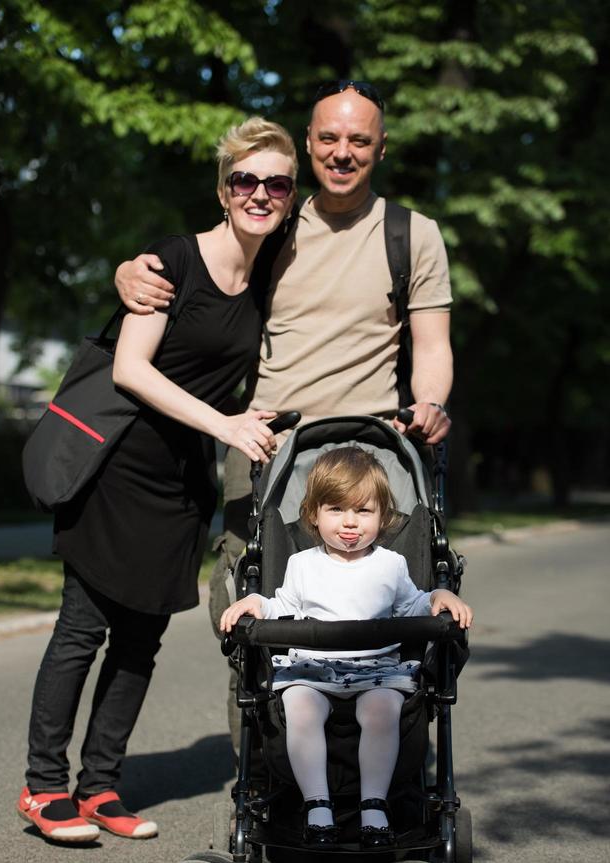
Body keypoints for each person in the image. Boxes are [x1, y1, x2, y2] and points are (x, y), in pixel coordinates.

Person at [113, 79, 454, 740]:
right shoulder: (275, 219)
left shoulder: (413, 235)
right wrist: (129, 270)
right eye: (329, 137)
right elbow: (204, 261)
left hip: (374, 450)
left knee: (385, 614)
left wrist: (432, 402)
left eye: (360, 139)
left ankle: (381, 781)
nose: (343, 151)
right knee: (253, 609)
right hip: (268, 445)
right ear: (309, 144)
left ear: (382, 148)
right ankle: (266, 782)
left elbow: (432, 344)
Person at [17, 117, 297, 844]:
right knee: (82, 628)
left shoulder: (266, 273)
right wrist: (227, 425)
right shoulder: (172, 260)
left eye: (275, 183)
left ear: (290, 195)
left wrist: (240, 413)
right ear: (223, 187)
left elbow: (208, 373)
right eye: (246, 180)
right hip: (119, 468)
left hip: (182, 481)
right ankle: (44, 786)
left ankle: (101, 786)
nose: (259, 194)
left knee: (141, 641)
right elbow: (130, 369)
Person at [220, 448, 473, 848]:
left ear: (383, 516)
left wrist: (439, 595)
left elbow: (413, 604)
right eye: (336, 509)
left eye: (364, 511)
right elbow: (285, 606)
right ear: (314, 514)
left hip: (376, 669)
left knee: (382, 710)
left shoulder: (390, 564)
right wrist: (257, 603)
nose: (350, 523)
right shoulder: (303, 563)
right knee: (300, 706)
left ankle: (374, 804)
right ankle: (316, 804)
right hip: (314, 668)